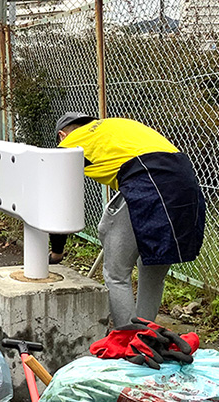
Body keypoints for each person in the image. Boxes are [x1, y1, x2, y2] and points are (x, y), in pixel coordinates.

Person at [49, 112, 206, 327]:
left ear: (62, 135)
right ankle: (145, 337)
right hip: (185, 184)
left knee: (116, 274)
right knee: (152, 267)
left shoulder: (71, 144)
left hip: (148, 182)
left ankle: (127, 338)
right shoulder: (115, 126)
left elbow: (57, 200)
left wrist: (57, 251)